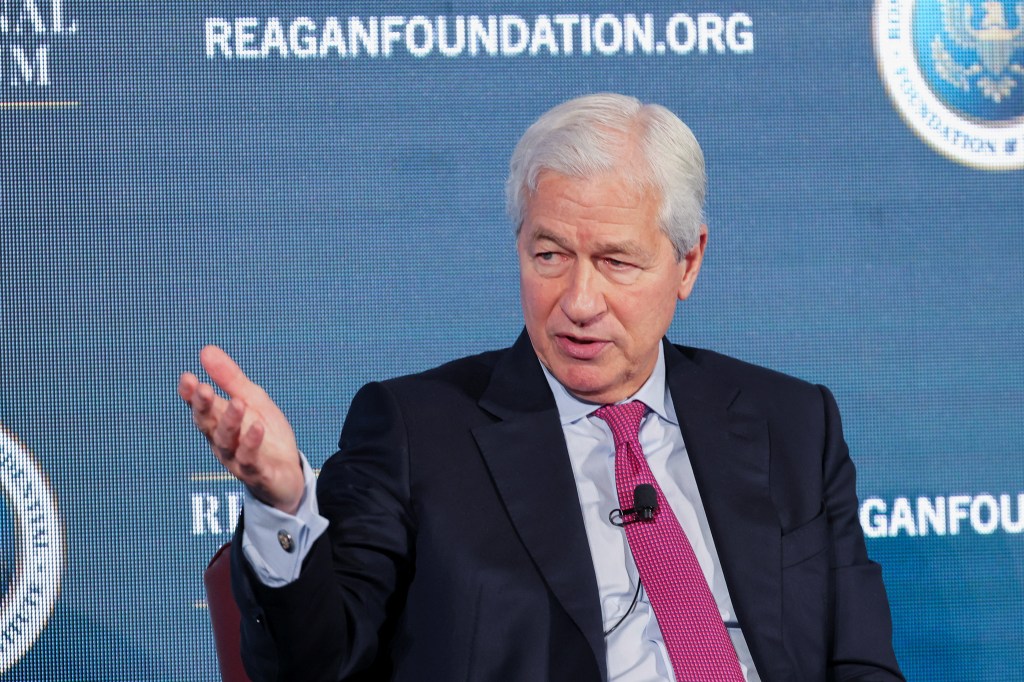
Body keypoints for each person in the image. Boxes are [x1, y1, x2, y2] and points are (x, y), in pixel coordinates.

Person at [179, 93, 903, 681]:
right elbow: (317, 663)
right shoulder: (414, 431)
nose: (579, 300)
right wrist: (282, 505)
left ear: (688, 263)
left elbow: (863, 663)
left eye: (617, 262)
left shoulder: (793, 425)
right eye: (549, 254)